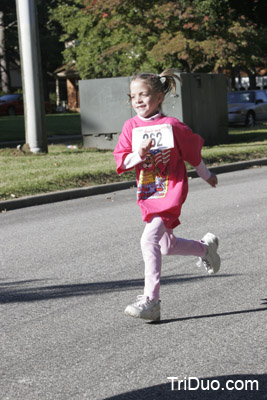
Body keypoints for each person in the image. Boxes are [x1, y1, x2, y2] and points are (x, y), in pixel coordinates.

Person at [113, 69, 220, 321]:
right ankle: (204, 249)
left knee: (148, 240)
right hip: (148, 191)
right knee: (166, 245)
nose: (138, 100)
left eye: (144, 94)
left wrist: (206, 175)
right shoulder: (131, 126)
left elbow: (193, 153)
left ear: (159, 96)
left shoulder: (171, 126)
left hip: (171, 190)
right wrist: (139, 154)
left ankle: (151, 301)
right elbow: (122, 161)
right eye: (133, 96)